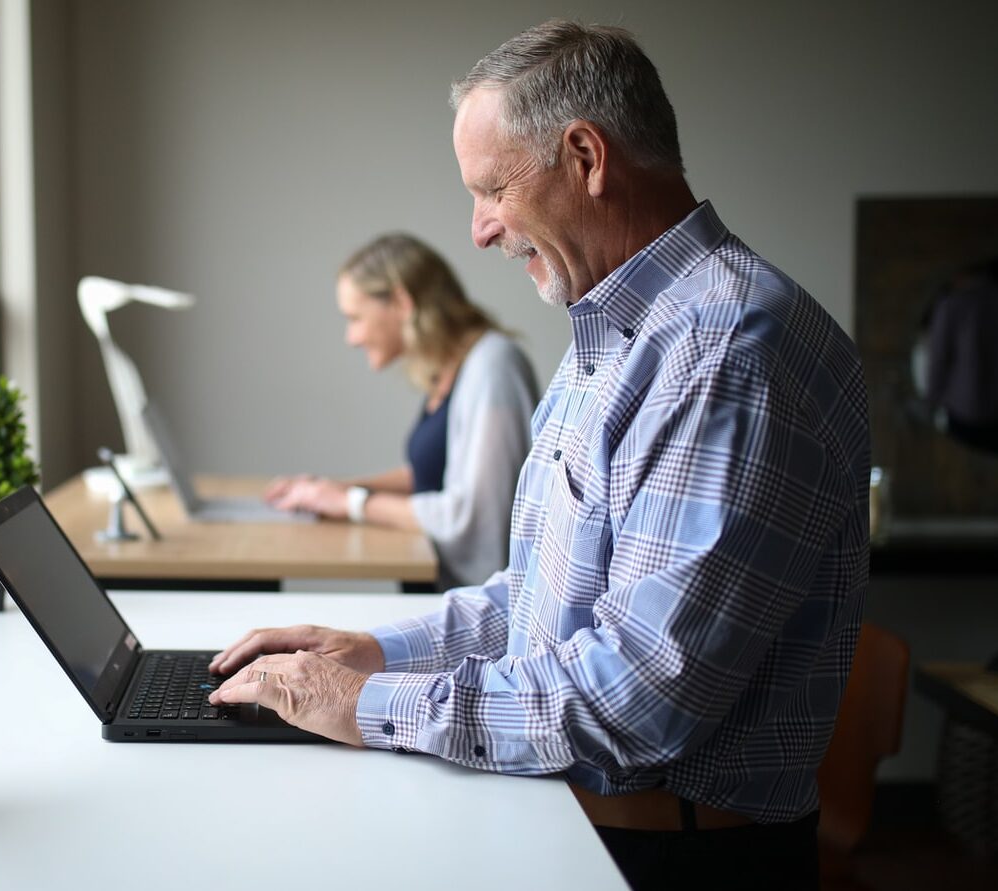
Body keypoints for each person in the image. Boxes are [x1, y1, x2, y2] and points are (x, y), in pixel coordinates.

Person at [210, 21, 869, 891]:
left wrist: (364, 705)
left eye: (491, 189)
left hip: (671, 860)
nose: (479, 231)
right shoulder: (621, 333)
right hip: (591, 825)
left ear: (587, 157)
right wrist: (371, 651)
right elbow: (542, 598)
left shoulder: (724, 353)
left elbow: (632, 698)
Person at [265, 232, 539, 589]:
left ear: (400, 302)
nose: (352, 337)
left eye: (355, 317)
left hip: (468, 609)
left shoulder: (494, 366)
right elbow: (431, 475)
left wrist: (350, 502)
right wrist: (330, 491)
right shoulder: (450, 368)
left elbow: (473, 515)